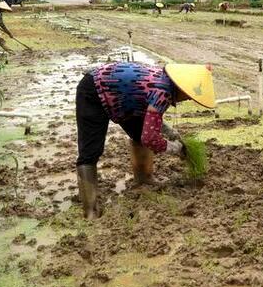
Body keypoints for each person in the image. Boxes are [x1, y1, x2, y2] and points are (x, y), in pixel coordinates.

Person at [75, 62, 215, 218]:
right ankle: (90, 210)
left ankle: (144, 179)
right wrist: (175, 148)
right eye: (189, 95)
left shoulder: (164, 81)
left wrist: (171, 133)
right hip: (94, 90)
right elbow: (150, 138)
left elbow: (151, 119)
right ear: (181, 88)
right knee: (90, 151)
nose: (189, 99)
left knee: (139, 133)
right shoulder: (163, 91)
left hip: (121, 96)